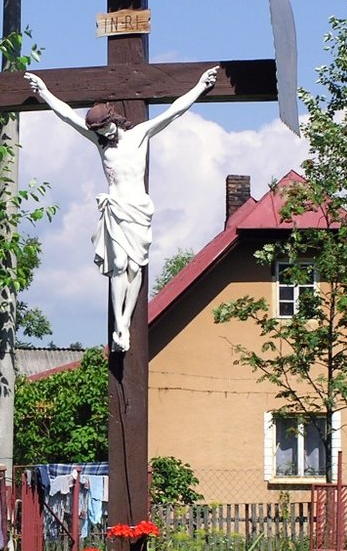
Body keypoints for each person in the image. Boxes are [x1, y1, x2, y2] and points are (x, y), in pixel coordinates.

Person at [25, 67, 219, 351]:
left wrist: (200, 86)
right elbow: (67, 115)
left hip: (138, 209)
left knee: (135, 267)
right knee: (118, 266)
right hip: (115, 209)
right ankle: (119, 326)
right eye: (99, 130)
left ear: (113, 119)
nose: (105, 132)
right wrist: (44, 93)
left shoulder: (139, 135)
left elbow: (174, 112)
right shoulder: (101, 145)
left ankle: (126, 320)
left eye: (106, 127)